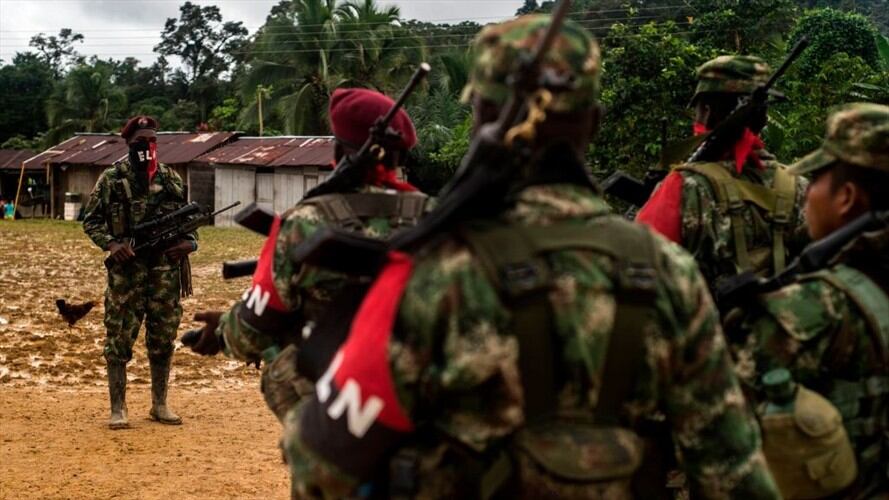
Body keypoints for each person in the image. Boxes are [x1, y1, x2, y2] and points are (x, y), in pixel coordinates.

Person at [277, 15, 779, 499]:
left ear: (480, 121)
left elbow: (324, 465)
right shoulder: (672, 275)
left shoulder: (434, 270)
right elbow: (732, 472)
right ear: (595, 123)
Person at [188, 88, 430, 422]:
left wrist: (222, 333)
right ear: (399, 156)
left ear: (336, 150)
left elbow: (252, 331)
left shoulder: (306, 221)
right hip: (422, 394)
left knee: (280, 355)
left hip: (339, 403)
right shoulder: (435, 217)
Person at [729, 103, 889, 498]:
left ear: (847, 197)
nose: (807, 192)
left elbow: (726, 436)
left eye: (817, 178)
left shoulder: (809, 309)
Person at [636, 55, 808, 293]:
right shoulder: (800, 186)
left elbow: (639, 274)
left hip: (704, 328)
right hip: (784, 326)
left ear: (705, 112)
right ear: (764, 118)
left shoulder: (683, 187)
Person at [82, 116, 196, 429]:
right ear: (129, 144)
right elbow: (90, 221)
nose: (147, 147)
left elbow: (188, 223)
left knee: (163, 338)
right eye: (140, 143)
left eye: (152, 141)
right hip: (126, 276)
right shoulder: (111, 179)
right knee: (118, 339)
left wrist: (190, 244)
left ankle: (160, 404)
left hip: (165, 275)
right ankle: (118, 409)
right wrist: (111, 244)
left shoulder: (171, 179)